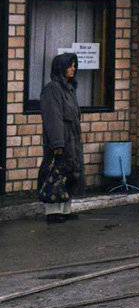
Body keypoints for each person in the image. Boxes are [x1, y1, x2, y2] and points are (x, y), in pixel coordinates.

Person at [38, 52, 84, 224]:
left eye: (74, 65)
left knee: (70, 173)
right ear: (60, 67)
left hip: (71, 138)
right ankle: (53, 211)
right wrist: (57, 143)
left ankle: (64, 209)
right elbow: (53, 116)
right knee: (55, 173)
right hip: (61, 139)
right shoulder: (53, 88)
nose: (73, 68)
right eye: (70, 65)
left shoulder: (69, 88)